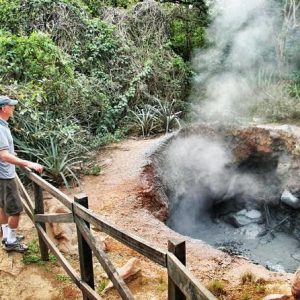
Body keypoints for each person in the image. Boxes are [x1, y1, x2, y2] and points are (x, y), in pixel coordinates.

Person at [0, 95, 43, 253]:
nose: (13, 108)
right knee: (16, 210)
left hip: (1, 175)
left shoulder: (2, 125)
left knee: (3, 207)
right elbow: (3, 155)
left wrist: (13, 154)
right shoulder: (0, 128)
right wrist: (29, 163)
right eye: (10, 106)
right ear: (3, 108)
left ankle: (6, 236)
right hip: (5, 175)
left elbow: (4, 151)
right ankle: (11, 242)